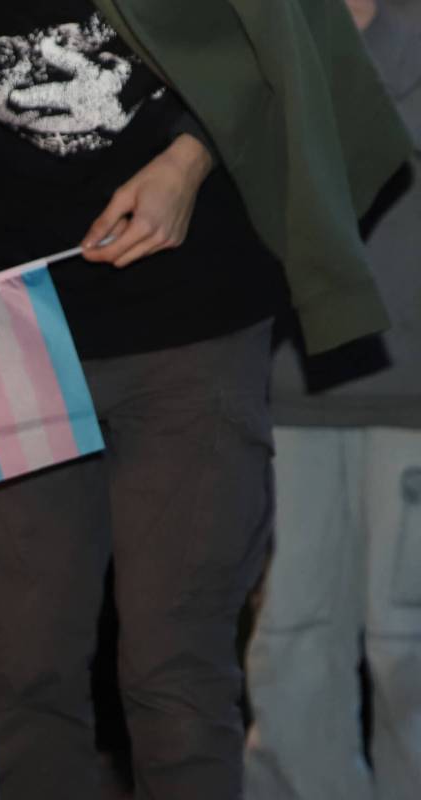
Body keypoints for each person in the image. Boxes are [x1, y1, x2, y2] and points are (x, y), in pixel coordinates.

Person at [0, 0, 411, 798]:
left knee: (174, 665)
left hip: (194, 317)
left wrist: (188, 162)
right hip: (8, 331)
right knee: (27, 668)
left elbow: (269, 45)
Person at [244, 2, 421, 798]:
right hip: (291, 387)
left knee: (408, 645)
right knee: (290, 644)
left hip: (414, 399)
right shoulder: (269, 24)